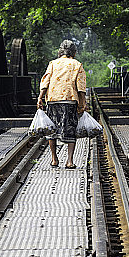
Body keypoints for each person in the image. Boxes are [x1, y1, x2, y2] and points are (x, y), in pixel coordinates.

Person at [37, 39, 87, 168]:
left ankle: (54, 159)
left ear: (60, 52)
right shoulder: (77, 65)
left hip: (53, 100)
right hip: (69, 100)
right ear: (74, 53)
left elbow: (45, 81)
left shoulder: (53, 64)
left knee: (52, 129)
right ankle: (69, 161)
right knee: (70, 129)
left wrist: (40, 97)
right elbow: (81, 86)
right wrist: (83, 103)